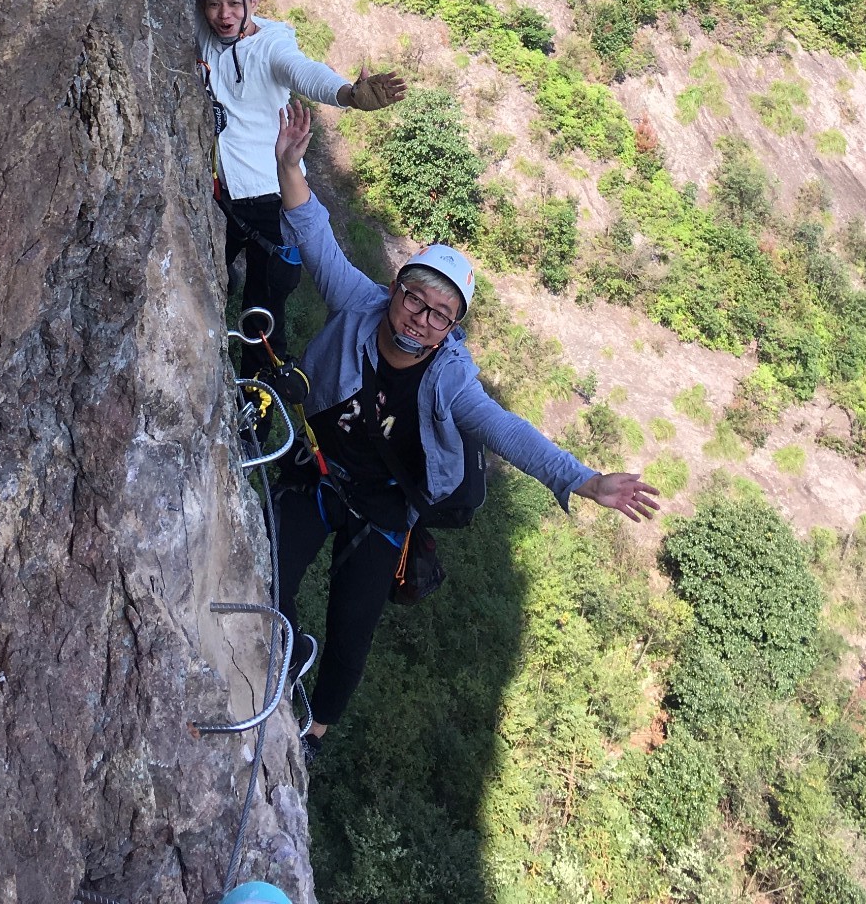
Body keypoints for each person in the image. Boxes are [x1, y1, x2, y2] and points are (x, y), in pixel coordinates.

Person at [269, 98, 660, 754]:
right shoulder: (359, 304)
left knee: (354, 623)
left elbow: (509, 431)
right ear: (394, 290)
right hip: (320, 471)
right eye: (413, 297)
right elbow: (314, 233)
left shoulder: (450, 379)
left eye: (439, 313)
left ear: (452, 328)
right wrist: (290, 163)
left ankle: (315, 729)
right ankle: (283, 649)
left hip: (385, 506)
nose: (420, 316)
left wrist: (585, 480)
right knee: (267, 570)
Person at [196, 0, 406, 352]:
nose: (223, 14)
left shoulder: (272, 45)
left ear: (254, 2)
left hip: (272, 196)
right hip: (222, 195)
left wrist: (347, 94)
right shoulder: (203, 31)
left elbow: (302, 70)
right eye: (213, 4)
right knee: (202, 278)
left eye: (234, 4)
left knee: (264, 318)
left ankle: (260, 404)